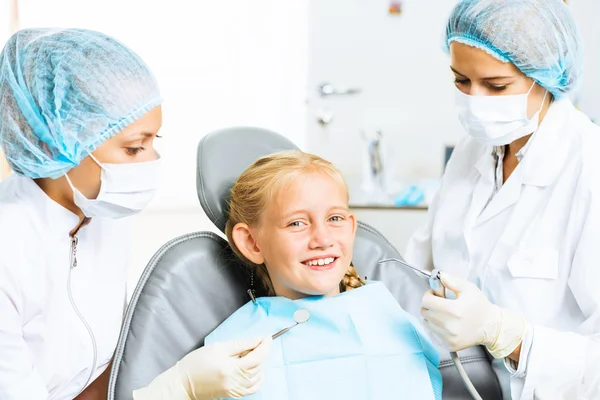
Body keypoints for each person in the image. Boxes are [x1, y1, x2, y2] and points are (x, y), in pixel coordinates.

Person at [0, 28, 270, 400]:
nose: (150, 162)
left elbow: (101, 368)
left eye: (152, 142)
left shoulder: (104, 216)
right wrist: (174, 389)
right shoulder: (9, 250)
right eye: (132, 149)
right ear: (53, 140)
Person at [404, 0, 600, 399]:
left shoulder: (588, 168)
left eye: (495, 86)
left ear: (543, 76)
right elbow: (415, 268)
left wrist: (505, 334)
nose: (475, 100)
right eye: (461, 81)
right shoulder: (471, 151)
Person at [207, 151, 441, 399]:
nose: (323, 239)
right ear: (252, 242)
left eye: (334, 218)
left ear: (351, 229)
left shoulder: (389, 316)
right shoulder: (232, 350)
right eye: (296, 223)